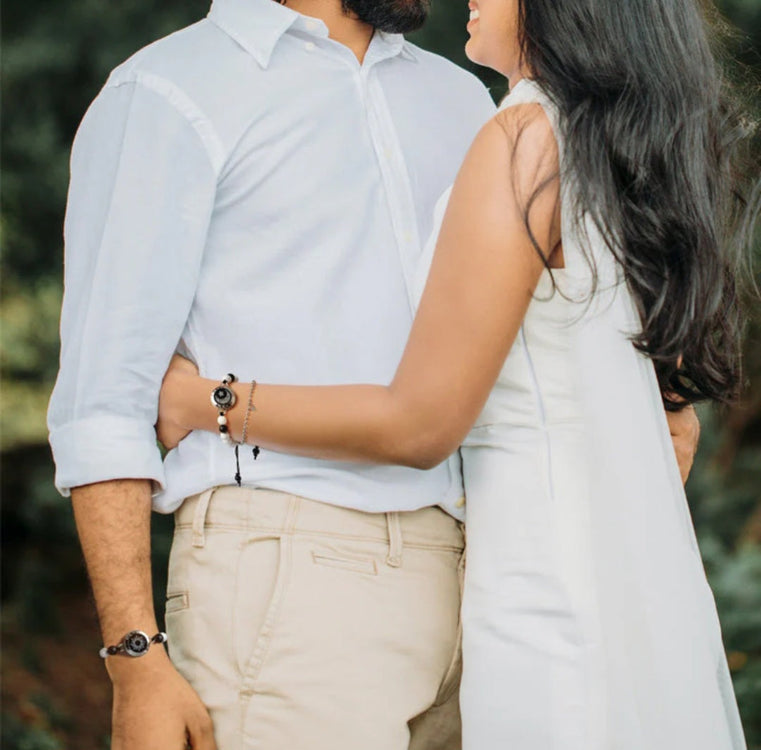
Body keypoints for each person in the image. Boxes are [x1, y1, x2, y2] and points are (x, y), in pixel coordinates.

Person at [157, 0, 759, 748]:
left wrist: (204, 401)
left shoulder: (523, 139)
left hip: (541, 586)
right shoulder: (620, 151)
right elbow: (660, 408)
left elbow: (421, 424)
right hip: (610, 570)